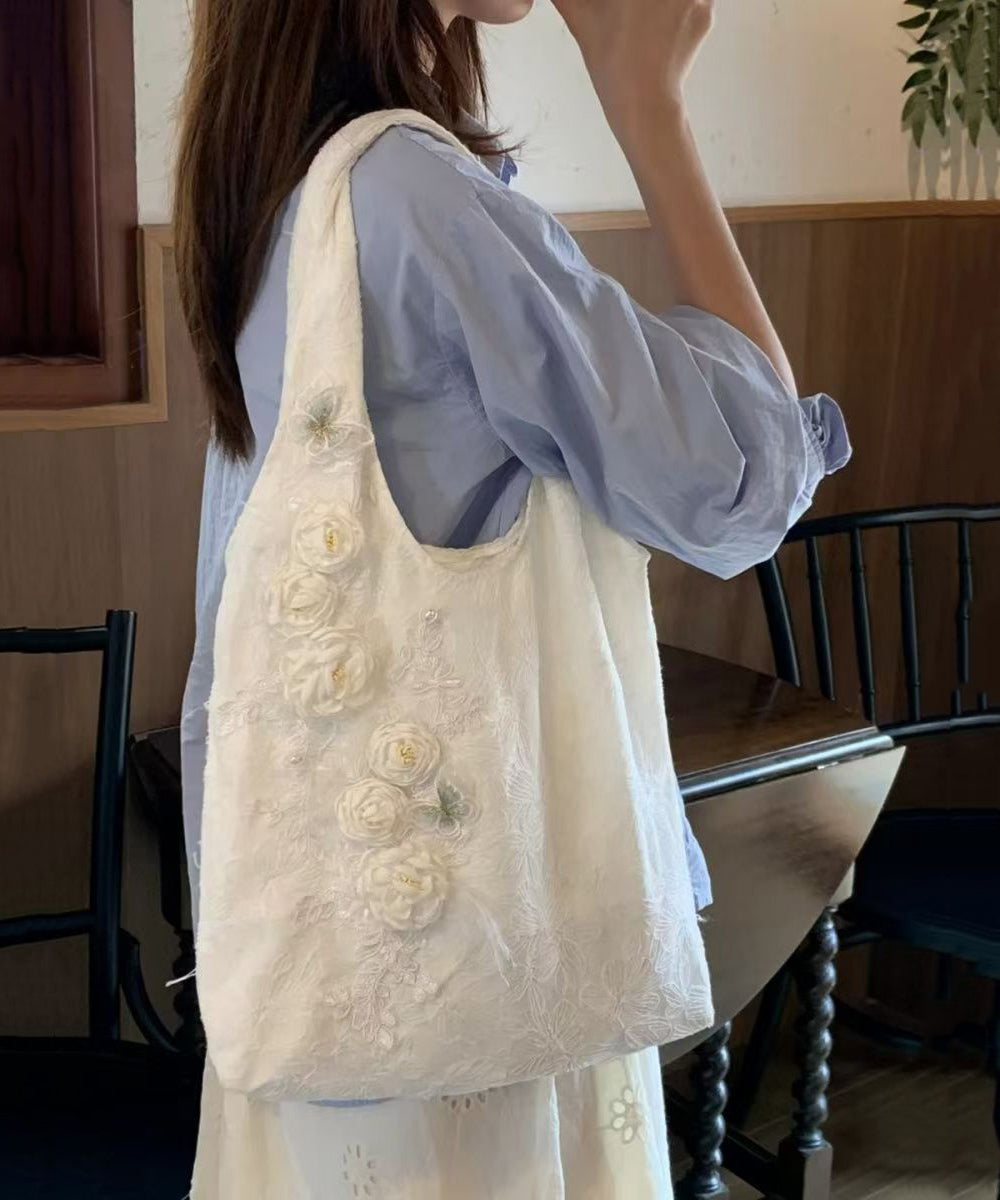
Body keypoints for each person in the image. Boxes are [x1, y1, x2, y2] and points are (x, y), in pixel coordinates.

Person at [175, 0, 850, 1195]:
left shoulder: (285, 182)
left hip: (335, 955)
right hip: (480, 972)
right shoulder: (417, 198)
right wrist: (647, 106)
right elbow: (738, 479)